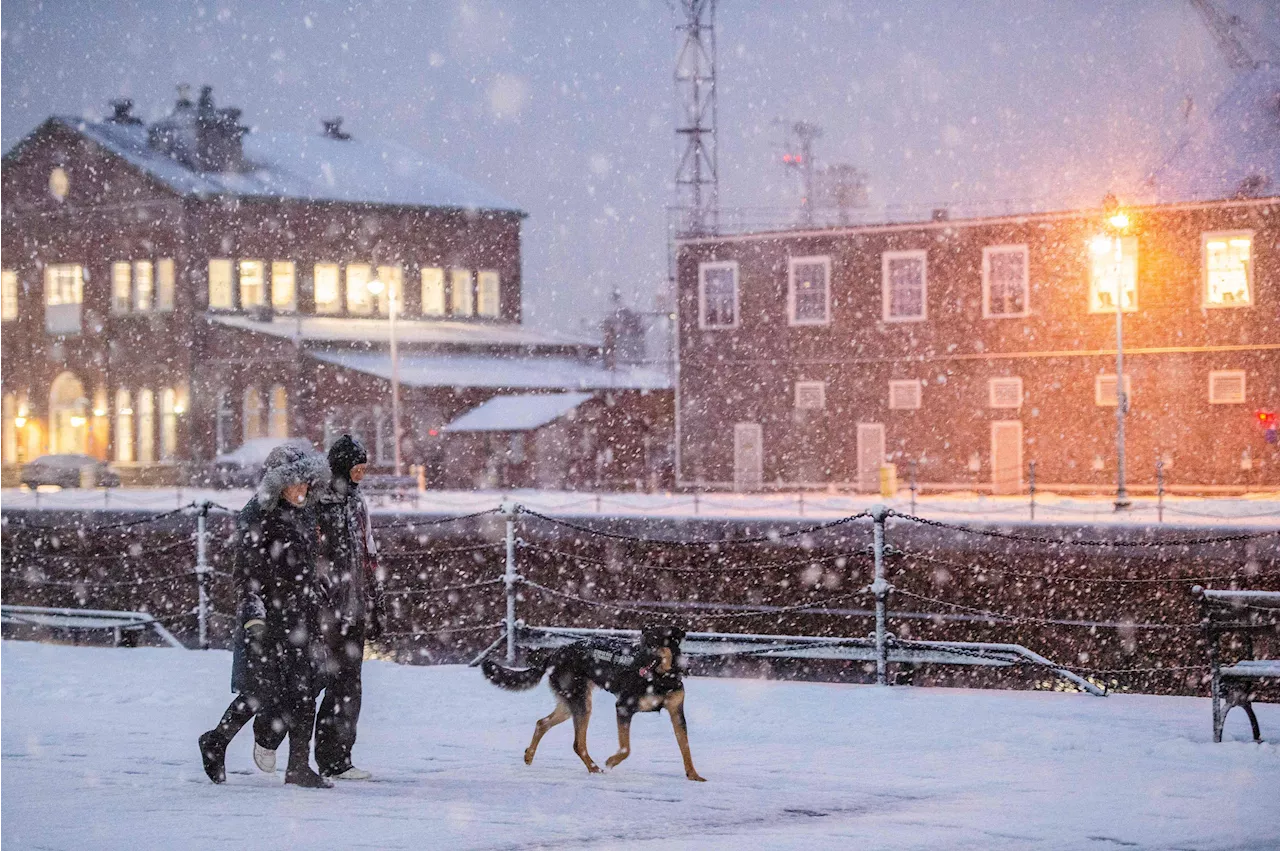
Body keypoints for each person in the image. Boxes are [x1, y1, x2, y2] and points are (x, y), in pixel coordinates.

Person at [197, 444, 331, 788]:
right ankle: (217, 740)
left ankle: (298, 767)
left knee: (304, 691)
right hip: (269, 619)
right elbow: (245, 574)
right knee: (261, 692)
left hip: (301, 616)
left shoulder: (306, 513)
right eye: (296, 482)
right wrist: (255, 616)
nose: (303, 488)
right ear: (278, 484)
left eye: (307, 482)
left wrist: (319, 590)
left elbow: (309, 565)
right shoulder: (258, 515)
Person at [254, 434, 386, 781]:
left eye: (364, 468)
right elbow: (308, 553)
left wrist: (374, 603)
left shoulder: (358, 505)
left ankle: (336, 758)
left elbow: (368, 554)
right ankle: (267, 733)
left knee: (348, 684)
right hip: (321, 607)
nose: (361, 475)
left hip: (352, 607)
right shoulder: (318, 503)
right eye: (357, 468)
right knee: (309, 681)